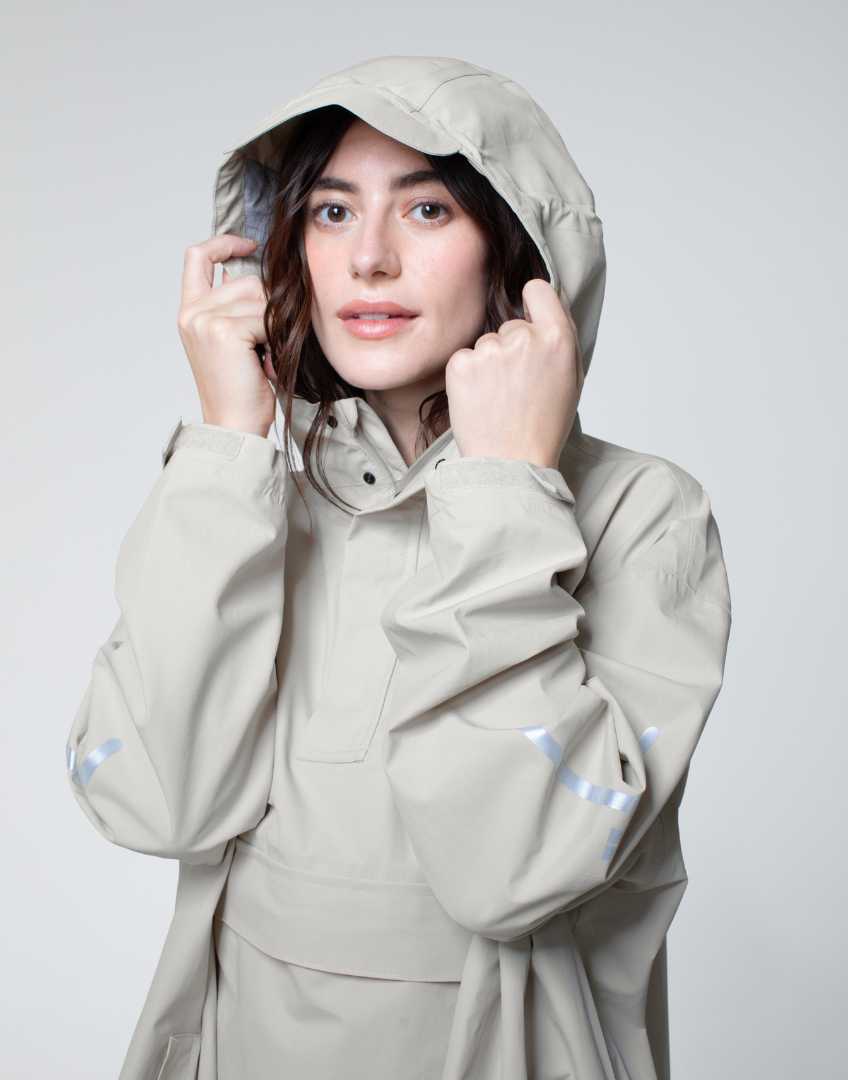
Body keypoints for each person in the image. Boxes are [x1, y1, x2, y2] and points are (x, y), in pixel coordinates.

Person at [66, 56, 731, 1080]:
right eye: (331, 213)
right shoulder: (247, 490)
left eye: (426, 210)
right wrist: (226, 445)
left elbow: (513, 868)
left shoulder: (640, 514)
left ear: (517, 252)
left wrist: (505, 491)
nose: (368, 259)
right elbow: (148, 800)